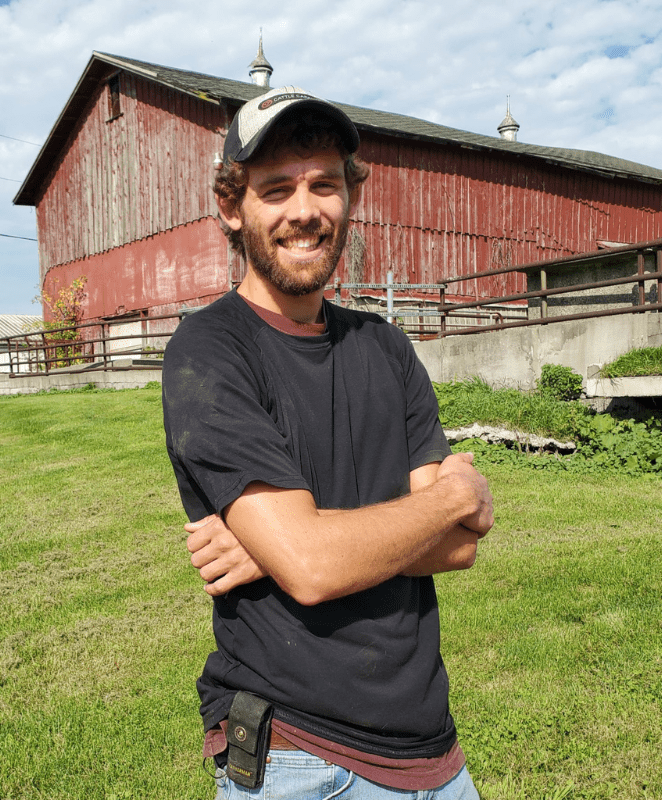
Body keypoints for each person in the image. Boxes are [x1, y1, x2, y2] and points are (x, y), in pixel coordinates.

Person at [161, 86, 495, 799]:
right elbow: (314, 566)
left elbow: (459, 546)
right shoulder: (209, 352)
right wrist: (455, 495)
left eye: (325, 185)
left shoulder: (387, 349)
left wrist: (273, 547)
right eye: (276, 189)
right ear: (232, 206)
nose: (305, 210)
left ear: (349, 197)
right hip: (300, 758)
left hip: (436, 755)